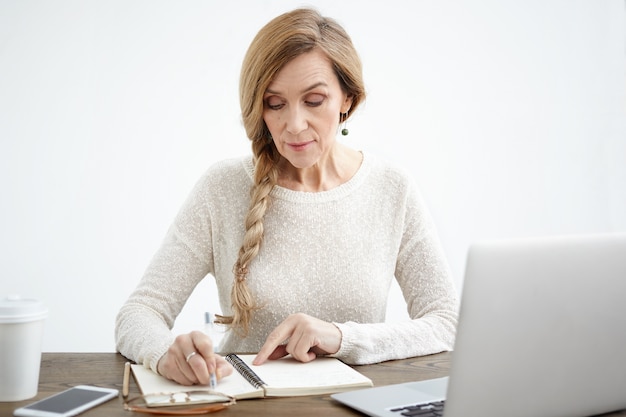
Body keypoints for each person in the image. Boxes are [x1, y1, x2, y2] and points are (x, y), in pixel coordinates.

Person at [115, 7, 459, 386]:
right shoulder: (223, 188)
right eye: (275, 104)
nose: (294, 125)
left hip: (354, 406)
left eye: (313, 101)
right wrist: (166, 354)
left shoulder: (392, 189)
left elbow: (446, 323)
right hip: (247, 407)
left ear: (347, 99)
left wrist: (342, 338)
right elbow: (138, 313)